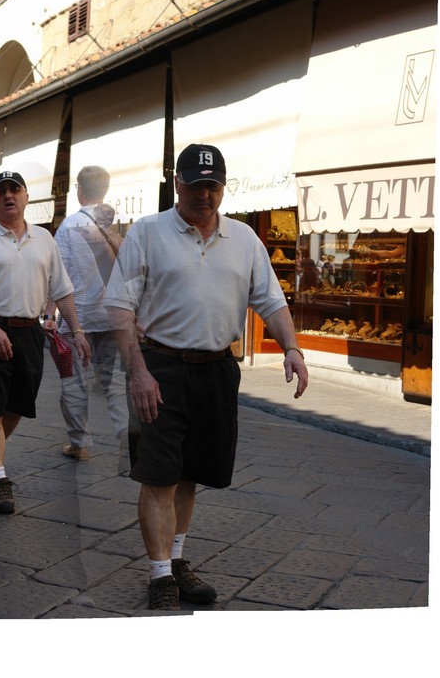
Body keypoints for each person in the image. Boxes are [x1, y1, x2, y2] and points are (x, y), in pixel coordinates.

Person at [104, 143, 308, 611]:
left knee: (191, 473)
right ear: (178, 184)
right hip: (160, 366)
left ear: (222, 187)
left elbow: (271, 301)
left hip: (217, 368)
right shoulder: (148, 232)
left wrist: (292, 347)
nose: (205, 195)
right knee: (159, 474)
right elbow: (119, 306)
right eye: (195, 185)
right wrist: (137, 372)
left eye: (213, 186)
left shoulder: (245, 239)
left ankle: (175, 562)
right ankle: (159, 576)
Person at [0, 170, 90, 515]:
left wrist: (78, 331)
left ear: (27, 197)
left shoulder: (44, 239)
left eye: (15, 190)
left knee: (19, 405)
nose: (9, 196)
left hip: (29, 332)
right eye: (2, 192)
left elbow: (63, 289)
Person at [44, 166, 129, 461]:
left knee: (74, 381)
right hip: (113, 317)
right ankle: (128, 439)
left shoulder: (69, 227)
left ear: (79, 189)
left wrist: (49, 314)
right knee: (113, 381)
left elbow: (58, 276)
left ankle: (79, 444)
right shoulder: (113, 227)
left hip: (76, 318)